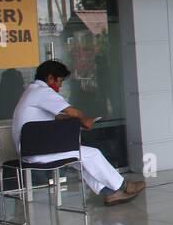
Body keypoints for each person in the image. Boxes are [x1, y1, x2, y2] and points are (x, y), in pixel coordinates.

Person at [11, 60, 145, 206]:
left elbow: (57, 116)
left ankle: (111, 193)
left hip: (31, 149)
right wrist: (84, 120)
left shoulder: (31, 91)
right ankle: (123, 186)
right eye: (60, 80)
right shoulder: (42, 91)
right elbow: (73, 112)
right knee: (92, 154)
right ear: (50, 78)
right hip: (37, 151)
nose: (60, 85)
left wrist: (75, 119)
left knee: (82, 160)